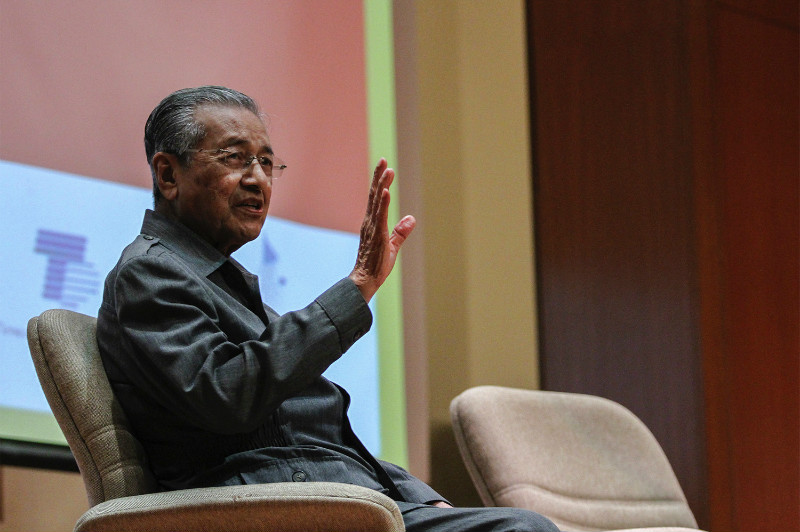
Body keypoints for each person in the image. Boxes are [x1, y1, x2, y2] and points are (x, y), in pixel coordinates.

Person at [97, 86, 559, 532]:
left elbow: (318, 430)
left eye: (266, 162)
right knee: (522, 530)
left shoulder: (224, 285)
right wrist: (355, 289)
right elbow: (225, 395)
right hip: (275, 509)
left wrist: (417, 494)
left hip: (333, 499)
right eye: (235, 158)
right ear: (168, 175)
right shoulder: (149, 275)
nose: (257, 178)